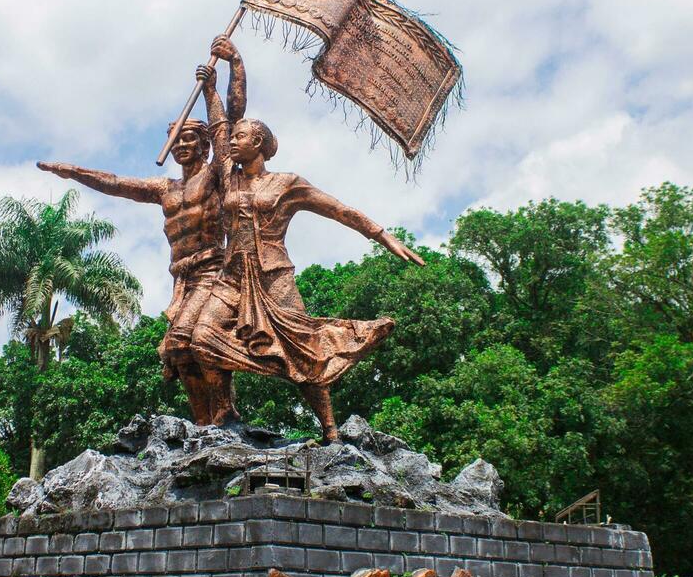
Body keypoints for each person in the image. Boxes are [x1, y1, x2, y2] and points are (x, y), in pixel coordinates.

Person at [38, 35, 246, 426]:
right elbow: (116, 183)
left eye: (189, 138)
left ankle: (225, 412)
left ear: (202, 146)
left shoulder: (216, 177)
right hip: (181, 277)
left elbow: (225, 128)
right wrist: (73, 172)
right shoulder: (165, 189)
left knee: (199, 339)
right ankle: (204, 423)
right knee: (177, 351)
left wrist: (215, 87)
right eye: (176, 139)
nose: (182, 145)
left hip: (213, 271)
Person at [188, 105, 424, 441]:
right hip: (233, 276)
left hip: (274, 276)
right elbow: (218, 126)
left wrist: (382, 235)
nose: (232, 143)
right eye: (233, 137)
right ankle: (225, 409)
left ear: (258, 142)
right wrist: (213, 83)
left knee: (305, 352)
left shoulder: (287, 183)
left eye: (240, 137)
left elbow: (338, 209)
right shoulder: (228, 176)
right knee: (202, 339)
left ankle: (330, 430)